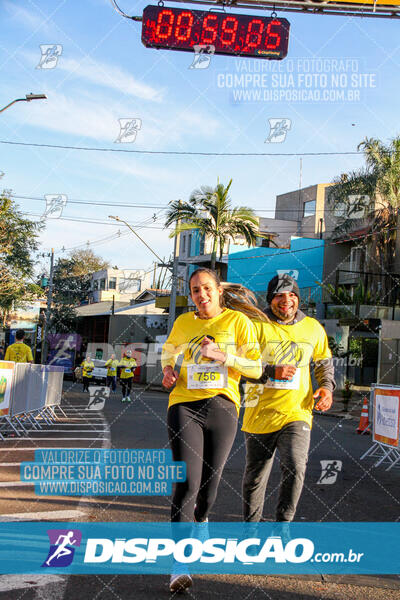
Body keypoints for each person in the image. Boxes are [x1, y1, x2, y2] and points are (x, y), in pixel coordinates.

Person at [162, 267, 265, 593]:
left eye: (206, 288)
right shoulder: (183, 323)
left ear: (219, 291)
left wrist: (223, 354)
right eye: (195, 290)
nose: (201, 295)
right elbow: (169, 349)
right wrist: (167, 368)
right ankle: (179, 565)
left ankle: (202, 519)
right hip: (184, 405)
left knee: (209, 487)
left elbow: (256, 368)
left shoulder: (238, 323)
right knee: (186, 484)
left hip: (222, 406)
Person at [242, 274, 335, 528]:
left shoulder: (313, 327)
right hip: (258, 411)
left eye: (292, 294)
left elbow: (324, 362)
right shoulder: (254, 324)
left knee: (295, 466)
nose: (286, 300)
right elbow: (242, 365)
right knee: (255, 477)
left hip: (297, 411)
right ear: (271, 299)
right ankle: (250, 529)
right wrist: (271, 371)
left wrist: (326, 388)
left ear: (298, 298)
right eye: (280, 295)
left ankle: (282, 526)